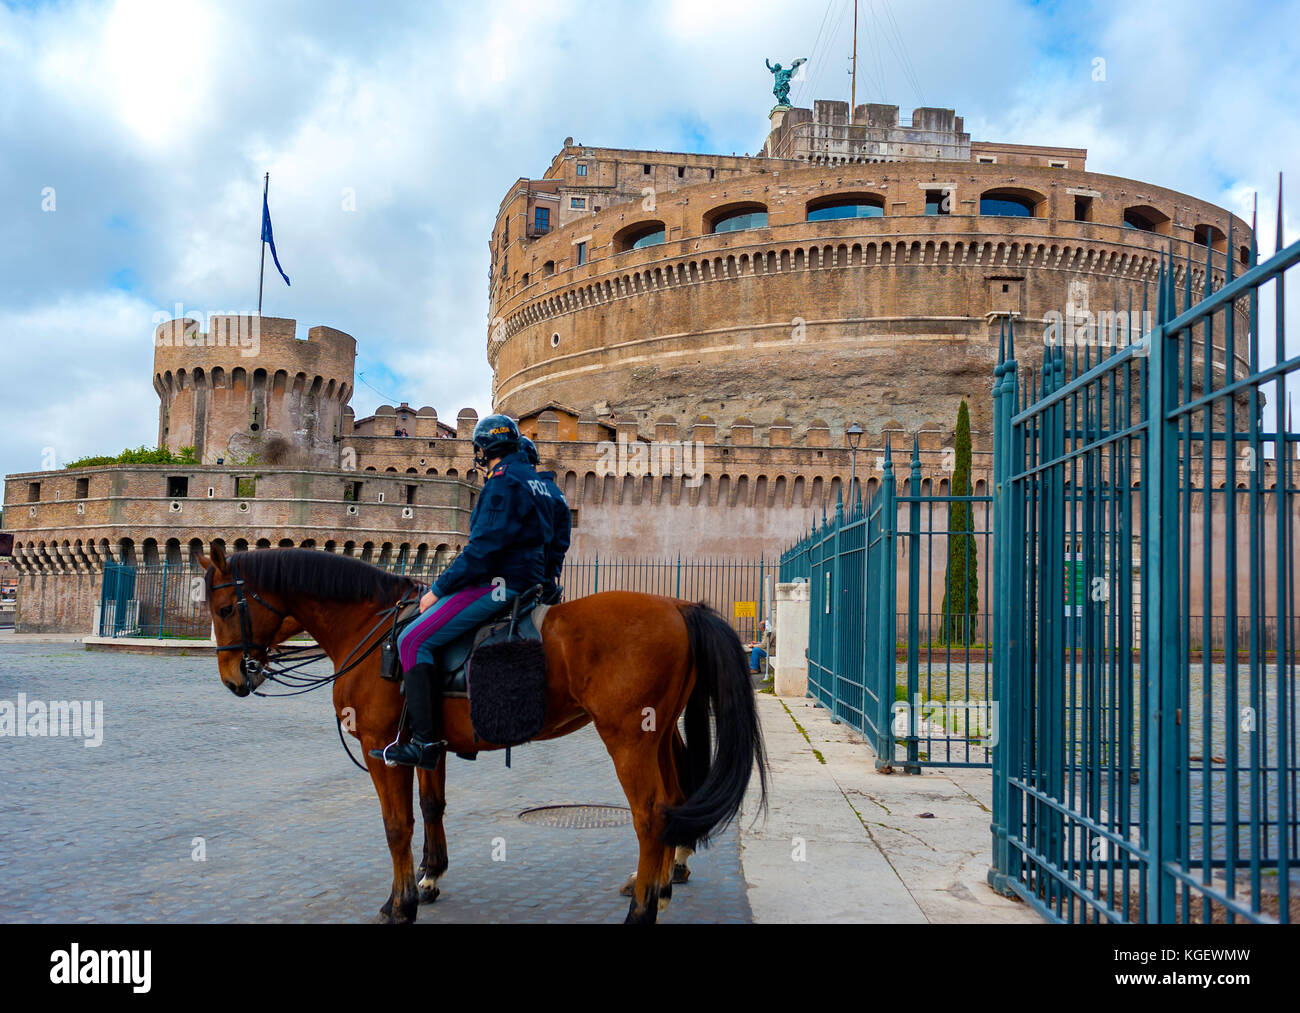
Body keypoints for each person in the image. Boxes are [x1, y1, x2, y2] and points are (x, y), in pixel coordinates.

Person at [371, 414, 553, 769]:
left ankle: (424, 743)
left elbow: (482, 551)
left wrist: (437, 590)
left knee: (412, 640)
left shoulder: (503, 482)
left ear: (484, 449)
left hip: (500, 584)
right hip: (529, 580)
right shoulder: (535, 480)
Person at [519, 436, 571, 602]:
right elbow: (561, 541)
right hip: (547, 580)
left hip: (522, 583)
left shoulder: (525, 490)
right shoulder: (553, 491)